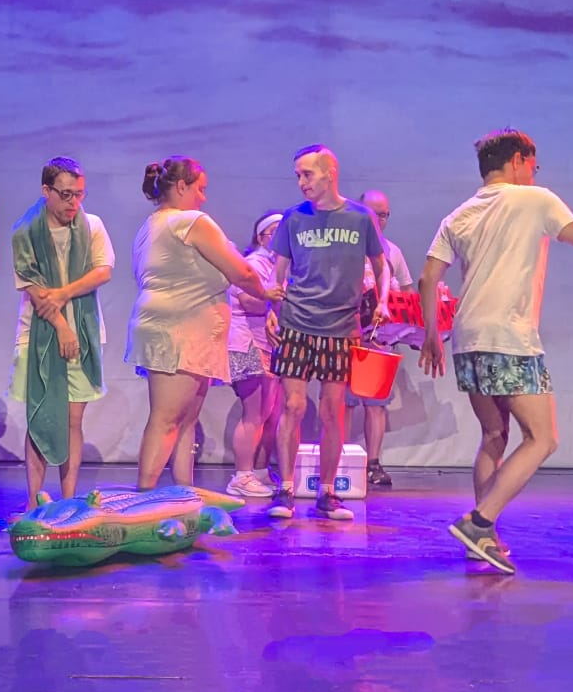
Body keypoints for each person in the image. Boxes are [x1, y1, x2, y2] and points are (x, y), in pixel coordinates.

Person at [418, 129, 573, 573]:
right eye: (533, 166)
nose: (534, 174)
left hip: (467, 337)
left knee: (493, 435)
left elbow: (428, 279)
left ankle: (482, 538)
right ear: (518, 160)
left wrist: (429, 335)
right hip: (509, 338)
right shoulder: (535, 200)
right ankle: (479, 522)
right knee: (543, 438)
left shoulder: (458, 215)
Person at [126, 157, 279, 490]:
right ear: (182, 187)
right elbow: (242, 271)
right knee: (166, 419)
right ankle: (143, 498)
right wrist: (268, 293)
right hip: (178, 330)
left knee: (184, 422)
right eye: (201, 189)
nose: (204, 198)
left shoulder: (152, 224)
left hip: (182, 329)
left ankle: (186, 494)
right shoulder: (190, 221)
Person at [265, 146, 389, 522]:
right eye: (298, 176)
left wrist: (382, 301)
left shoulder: (361, 217)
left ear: (329, 173)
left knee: (333, 410)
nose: (301, 182)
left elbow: (380, 264)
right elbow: (279, 272)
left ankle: (328, 491)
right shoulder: (294, 218)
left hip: (340, 326)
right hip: (297, 321)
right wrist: (272, 308)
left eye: (308, 174)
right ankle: (285, 489)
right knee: (293, 406)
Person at [10, 157, 114, 506]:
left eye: (79, 194)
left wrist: (65, 294)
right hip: (37, 332)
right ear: (47, 190)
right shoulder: (25, 230)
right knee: (40, 415)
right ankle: (34, 502)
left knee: (72, 419)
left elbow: (103, 270)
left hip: (84, 331)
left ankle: (69, 501)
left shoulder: (92, 225)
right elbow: (33, 288)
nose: (73, 202)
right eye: (66, 194)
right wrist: (62, 327)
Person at [348, 189, 418, 490]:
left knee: (376, 404)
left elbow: (407, 293)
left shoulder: (393, 252)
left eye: (385, 214)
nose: (380, 219)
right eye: (374, 213)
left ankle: (372, 464)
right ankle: (338, 460)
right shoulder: (346, 246)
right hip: (346, 336)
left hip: (380, 339)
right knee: (342, 402)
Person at [223, 210, 285, 498]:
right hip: (246, 342)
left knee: (267, 413)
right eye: (276, 232)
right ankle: (242, 476)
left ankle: (258, 471)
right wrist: (278, 301)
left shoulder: (277, 265)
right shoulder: (254, 264)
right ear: (262, 237)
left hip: (265, 344)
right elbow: (251, 302)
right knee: (254, 412)